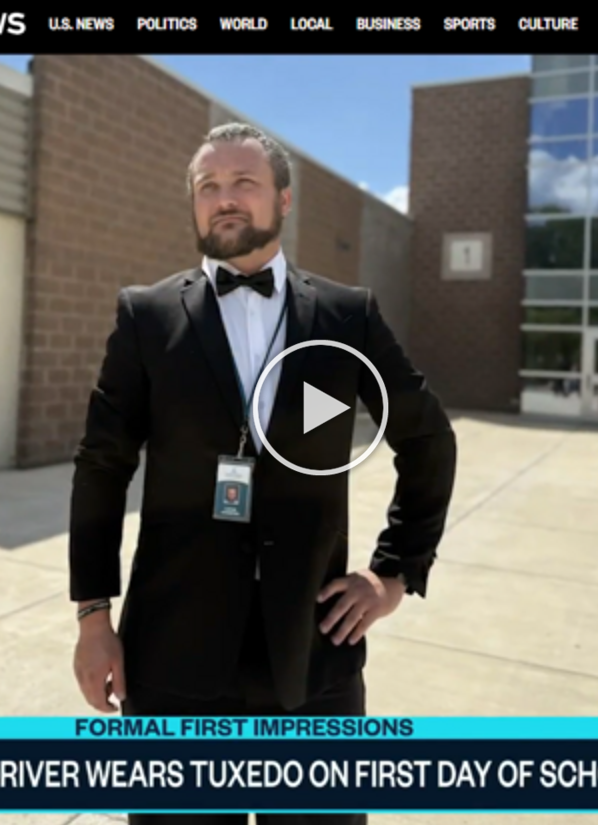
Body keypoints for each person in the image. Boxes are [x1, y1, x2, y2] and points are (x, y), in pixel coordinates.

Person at [69, 122, 457, 825]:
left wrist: (395, 571)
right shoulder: (146, 317)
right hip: (171, 663)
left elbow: (428, 440)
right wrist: (94, 617)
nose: (224, 198)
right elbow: (102, 467)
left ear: (283, 199)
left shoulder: (347, 316)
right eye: (207, 186)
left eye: (243, 182)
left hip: (314, 659)